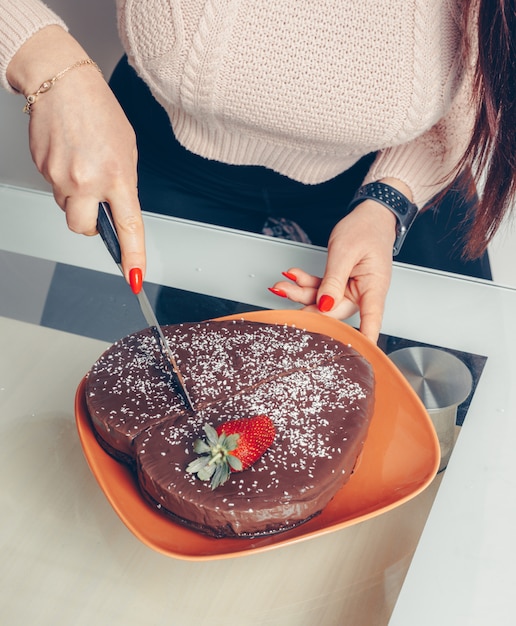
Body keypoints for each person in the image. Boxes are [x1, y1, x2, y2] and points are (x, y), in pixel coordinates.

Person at [1, 1, 515, 343]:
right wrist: (49, 64)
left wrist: (391, 202)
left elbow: (478, 66)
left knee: (447, 437)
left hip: (398, 182)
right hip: (148, 156)